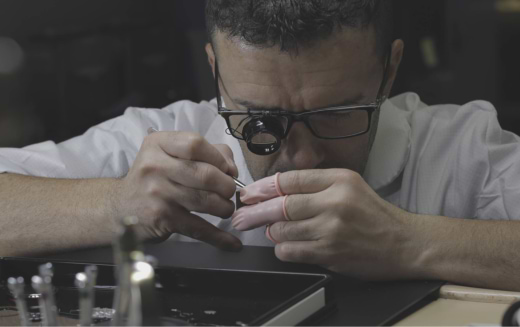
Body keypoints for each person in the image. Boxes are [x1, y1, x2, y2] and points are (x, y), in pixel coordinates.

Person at [1, 0, 520, 291]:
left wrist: (410, 241)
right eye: (259, 117)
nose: (304, 157)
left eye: (338, 114)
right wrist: (114, 203)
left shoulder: (460, 148)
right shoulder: (157, 143)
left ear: (389, 69)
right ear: (215, 72)